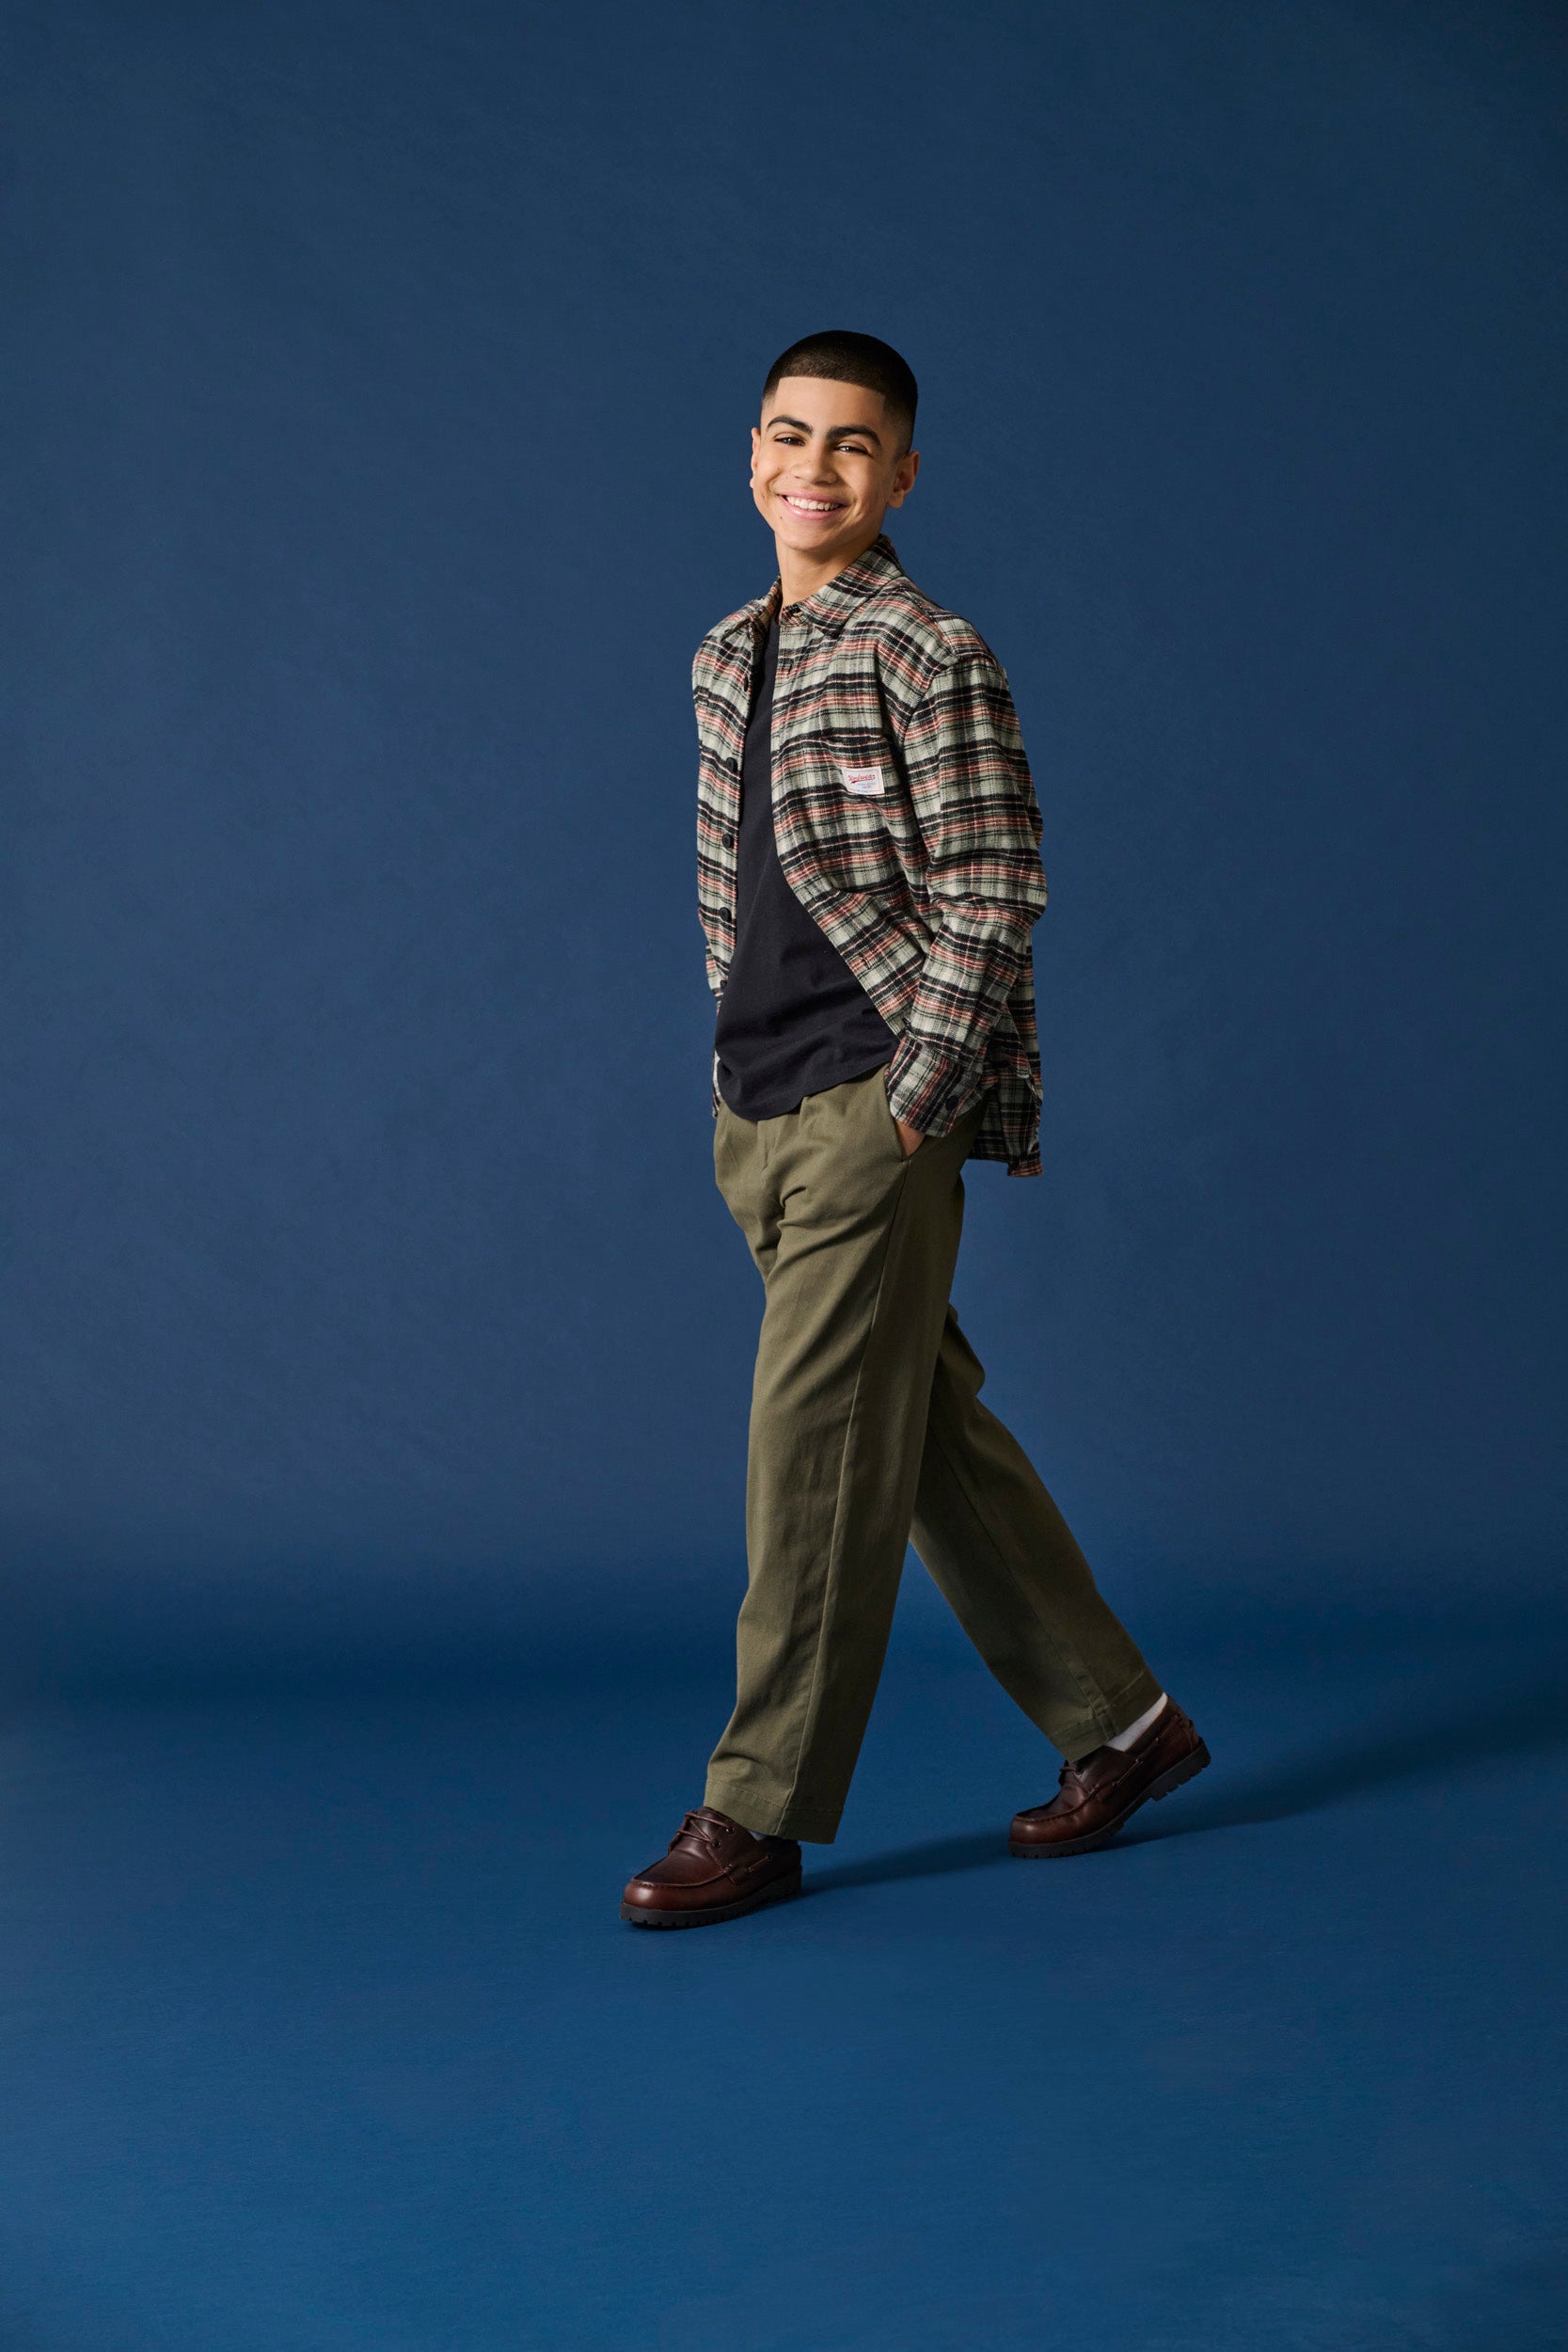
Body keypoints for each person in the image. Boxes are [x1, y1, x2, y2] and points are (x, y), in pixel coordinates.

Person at [621, 330, 1209, 1930]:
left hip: (871, 1101)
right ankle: (1128, 1727)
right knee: (918, 1424)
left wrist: (913, 1099)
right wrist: (733, 1072)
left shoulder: (929, 650)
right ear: (752, 450)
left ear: (902, 475)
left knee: (811, 1456)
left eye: (853, 443)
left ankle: (756, 1811)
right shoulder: (723, 654)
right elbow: (733, 887)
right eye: (789, 434)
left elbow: (994, 889)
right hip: (758, 1103)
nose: (814, 468)